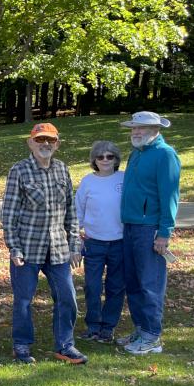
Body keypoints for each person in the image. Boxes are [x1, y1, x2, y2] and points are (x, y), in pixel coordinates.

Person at [2, 122, 87, 365]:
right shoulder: (19, 171)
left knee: (67, 297)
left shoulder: (62, 170)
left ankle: (65, 345)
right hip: (28, 249)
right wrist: (14, 247)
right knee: (23, 300)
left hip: (58, 248)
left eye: (50, 140)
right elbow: (10, 214)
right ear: (30, 143)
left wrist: (74, 245)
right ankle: (21, 345)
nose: (45, 144)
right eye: (39, 140)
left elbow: (71, 210)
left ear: (57, 143)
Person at [118, 111, 181, 355]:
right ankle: (141, 329)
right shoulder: (136, 153)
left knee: (150, 283)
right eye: (133, 128)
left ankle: (153, 336)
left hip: (150, 228)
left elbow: (170, 197)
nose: (136, 132)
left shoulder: (165, 155)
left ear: (155, 130)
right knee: (132, 282)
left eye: (141, 128)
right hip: (130, 226)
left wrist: (164, 233)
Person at [73, 140, 126, 343]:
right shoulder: (88, 182)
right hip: (93, 242)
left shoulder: (125, 178)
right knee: (92, 286)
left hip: (119, 243)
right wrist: (75, 237)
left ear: (116, 159)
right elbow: (77, 211)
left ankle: (108, 328)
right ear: (94, 160)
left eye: (109, 156)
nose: (105, 160)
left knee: (116, 287)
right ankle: (93, 326)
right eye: (100, 157)